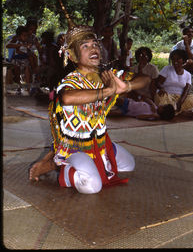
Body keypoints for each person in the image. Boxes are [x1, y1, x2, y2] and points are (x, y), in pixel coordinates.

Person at [29, 24, 150, 194]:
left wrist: (127, 86)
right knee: (92, 186)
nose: (93, 49)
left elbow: (145, 79)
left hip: (100, 142)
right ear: (72, 55)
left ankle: (95, 160)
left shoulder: (106, 74)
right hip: (74, 147)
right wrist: (108, 91)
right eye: (85, 46)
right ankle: (57, 166)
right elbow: (67, 97)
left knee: (129, 165)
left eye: (94, 44)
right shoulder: (70, 81)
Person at [153, 49, 193, 115]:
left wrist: (180, 102)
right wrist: (161, 88)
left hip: (180, 98)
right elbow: (158, 83)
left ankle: (172, 110)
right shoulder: (167, 69)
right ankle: (176, 110)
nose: (175, 61)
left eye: (178, 59)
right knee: (160, 96)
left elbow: (186, 91)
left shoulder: (188, 74)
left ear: (183, 60)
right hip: (167, 96)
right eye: (173, 59)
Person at [6, 25, 32, 91]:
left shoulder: (27, 41)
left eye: (26, 35)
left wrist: (28, 51)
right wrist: (20, 45)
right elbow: (8, 45)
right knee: (17, 72)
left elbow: (28, 51)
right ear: (19, 36)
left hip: (25, 59)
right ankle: (18, 87)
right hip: (16, 59)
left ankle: (28, 88)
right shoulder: (16, 40)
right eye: (24, 35)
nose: (26, 37)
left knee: (27, 70)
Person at [110, 95, 175, 121]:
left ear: (162, 111)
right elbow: (147, 99)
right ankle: (105, 97)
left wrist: (152, 115)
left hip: (126, 111)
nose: (161, 105)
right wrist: (152, 104)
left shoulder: (152, 116)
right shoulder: (154, 106)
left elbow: (139, 116)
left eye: (163, 107)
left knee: (115, 113)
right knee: (118, 100)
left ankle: (103, 112)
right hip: (129, 103)